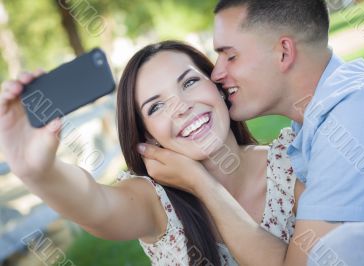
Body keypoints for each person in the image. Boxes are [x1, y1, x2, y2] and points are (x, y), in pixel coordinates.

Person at [138, 0, 364, 265]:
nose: (216, 73)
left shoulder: (354, 120)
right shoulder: (322, 120)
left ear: (284, 52)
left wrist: (202, 183)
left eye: (230, 56)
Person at [0, 40, 305, 265]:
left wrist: (204, 184)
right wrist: (37, 171)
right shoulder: (156, 202)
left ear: (218, 87)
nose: (181, 107)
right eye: (156, 106)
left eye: (189, 82)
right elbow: (95, 204)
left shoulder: (290, 162)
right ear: (148, 134)